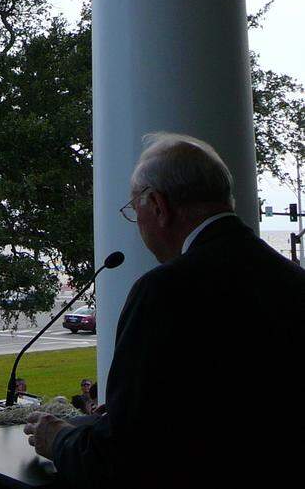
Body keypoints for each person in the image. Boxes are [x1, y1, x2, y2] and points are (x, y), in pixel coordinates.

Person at [23, 132, 305, 488]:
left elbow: (123, 461)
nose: (136, 222)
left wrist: (59, 439)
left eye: (133, 209)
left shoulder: (164, 291)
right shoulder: (292, 280)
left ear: (158, 205)